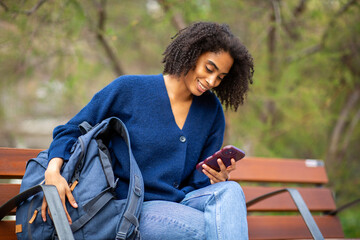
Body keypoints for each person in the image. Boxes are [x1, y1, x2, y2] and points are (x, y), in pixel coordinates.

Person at [41, 21, 254, 240]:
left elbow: (196, 183)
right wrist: (53, 170)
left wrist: (214, 178)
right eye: (209, 68)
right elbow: (71, 129)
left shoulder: (212, 111)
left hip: (182, 203)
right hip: (134, 208)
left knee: (231, 191)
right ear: (193, 53)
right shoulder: (129, 90)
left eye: (220, 77)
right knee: (210, 228)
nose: (211, 81)